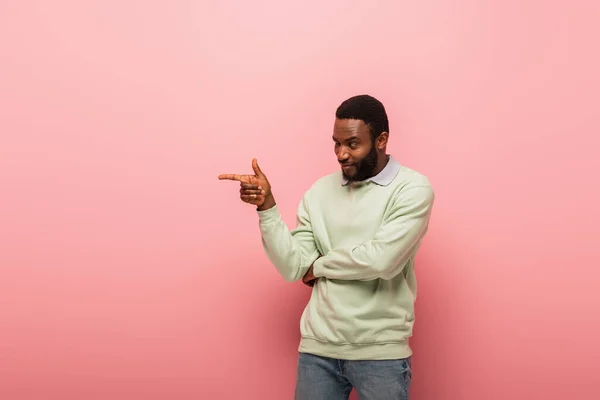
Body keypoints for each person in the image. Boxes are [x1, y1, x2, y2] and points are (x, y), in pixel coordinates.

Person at [218, 94, 435, 400]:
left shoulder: (412, 189)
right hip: (317, 351)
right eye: (336, 143)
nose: (341, 153)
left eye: (352, 144)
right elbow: (293, 266)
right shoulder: (319, 192)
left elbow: (381, 260)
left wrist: (318, 266)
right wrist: (267, 207)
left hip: (381, 352)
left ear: (381, 140)